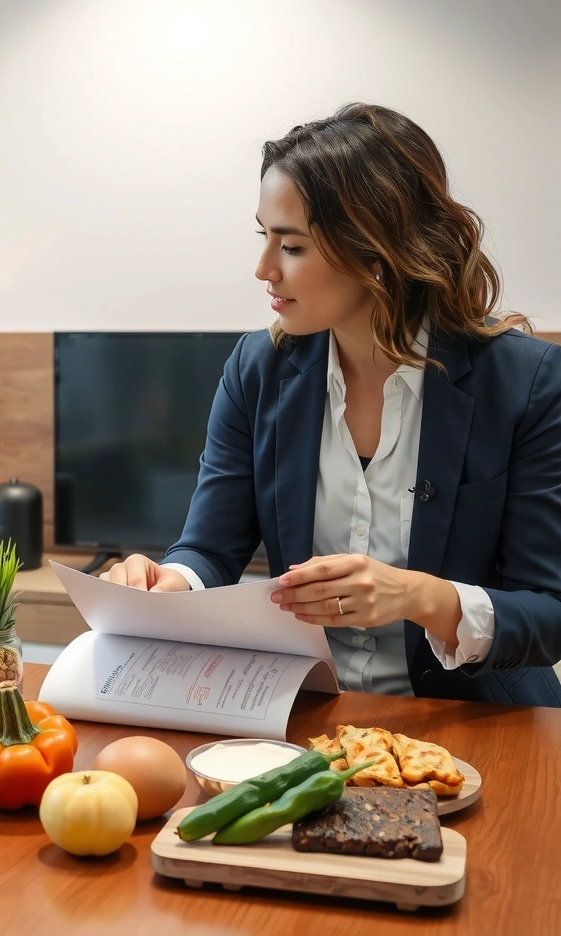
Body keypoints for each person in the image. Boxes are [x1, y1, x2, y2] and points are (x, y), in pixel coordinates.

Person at [106, 103, 561, 706]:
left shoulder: (525, 381)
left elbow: (549, 612)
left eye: (290, 246)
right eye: (264, 237)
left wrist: (419, 596)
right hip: (311, 720)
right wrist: (170, 584)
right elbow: (210, 550)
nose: (264, 269)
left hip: (483, 728)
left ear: (376, 250)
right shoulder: (255, 369)